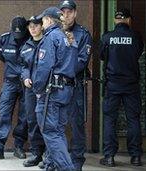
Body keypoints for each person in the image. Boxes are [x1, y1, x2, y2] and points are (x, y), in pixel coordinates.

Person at [32, 6, 77, 171]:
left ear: (49, 20)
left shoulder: (50, 38)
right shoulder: (67, 37)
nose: (41, 25)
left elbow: (44, 68)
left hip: (52, 92)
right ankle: (52, 165)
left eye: (42, 20)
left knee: (50, 132)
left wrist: (37, 89)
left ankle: (66, 168)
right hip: (65, 90)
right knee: (57, 132)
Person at [99, 8, 144, 167]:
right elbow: (138, 53)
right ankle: (136, 156)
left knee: (110, 120)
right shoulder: (136, 37)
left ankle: (109, 156)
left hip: (112, 85)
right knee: (133, 119)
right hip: (131, 85)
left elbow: (102, 56)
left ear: (115, 20)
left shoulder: (107, 37)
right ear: (129, 20)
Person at [0, 16, 29, 161]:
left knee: (24, 116)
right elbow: (1, 56)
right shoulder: (4, 39)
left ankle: (19, 146)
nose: (18, 37)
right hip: (9, 82)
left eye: (20, 34)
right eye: (16, 34)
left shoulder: (30, 39)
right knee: (4, 114)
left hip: (26, 83)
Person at [59, 0, 92, 170]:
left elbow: (81, 62)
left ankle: (77, 160)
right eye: (63, 12)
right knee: (55, 123)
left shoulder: (83, 34)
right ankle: (55, 159)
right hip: (56, 86)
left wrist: (61, 68)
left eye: (69, 12)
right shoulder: (55, 33)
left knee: (76, 124)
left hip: (74, 85)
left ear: (75, 13)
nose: (66, 15)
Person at [20, 16, 45, 167]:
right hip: (30, 89)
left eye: (36, 25)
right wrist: (25, 77)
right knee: (32, 120)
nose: (33, 28)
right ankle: (36, 153)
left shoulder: (48, 43)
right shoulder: (26, 46)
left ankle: (49, 152)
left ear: (42, 26)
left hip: (45, 88)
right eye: (30, 26)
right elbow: (23, 66)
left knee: (47, 121)